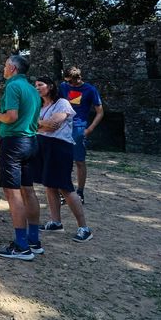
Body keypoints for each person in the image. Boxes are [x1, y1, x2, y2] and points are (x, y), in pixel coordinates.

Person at [0, 54, 41, 261]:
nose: (3, 68)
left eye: (5, 65)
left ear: (12, 68)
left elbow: (11, 116)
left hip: (14, 143)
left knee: (13, 193)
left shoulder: (12, 86)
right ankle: (34, 240)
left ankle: (21, 246)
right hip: (31, 141)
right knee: (28, 190)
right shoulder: (32, 90)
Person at [34, 76, 93, 243]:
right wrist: (40, 124)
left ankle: (84, 228)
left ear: (50, 86)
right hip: (44, 145)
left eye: (40, 85)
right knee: (49, 185)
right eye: (35, 85)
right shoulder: (41, 105)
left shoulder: (62, 103)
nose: (37, 88)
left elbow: (54, 125)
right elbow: (41, 125)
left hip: (60, 147)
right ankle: (55, 222)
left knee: (65, 187)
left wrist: (37, 123)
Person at [59, 66, 104, 203]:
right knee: (63, 161)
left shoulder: (90, 90)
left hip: (78, 128)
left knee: (79, 161)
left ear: (78, 78)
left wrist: (89, 130)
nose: (69, 84)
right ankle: (65, 191)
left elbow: (100, 112)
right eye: (67, 82)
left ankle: (80, 193)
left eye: (71, 82)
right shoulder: (64, 86)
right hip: (63, 126)